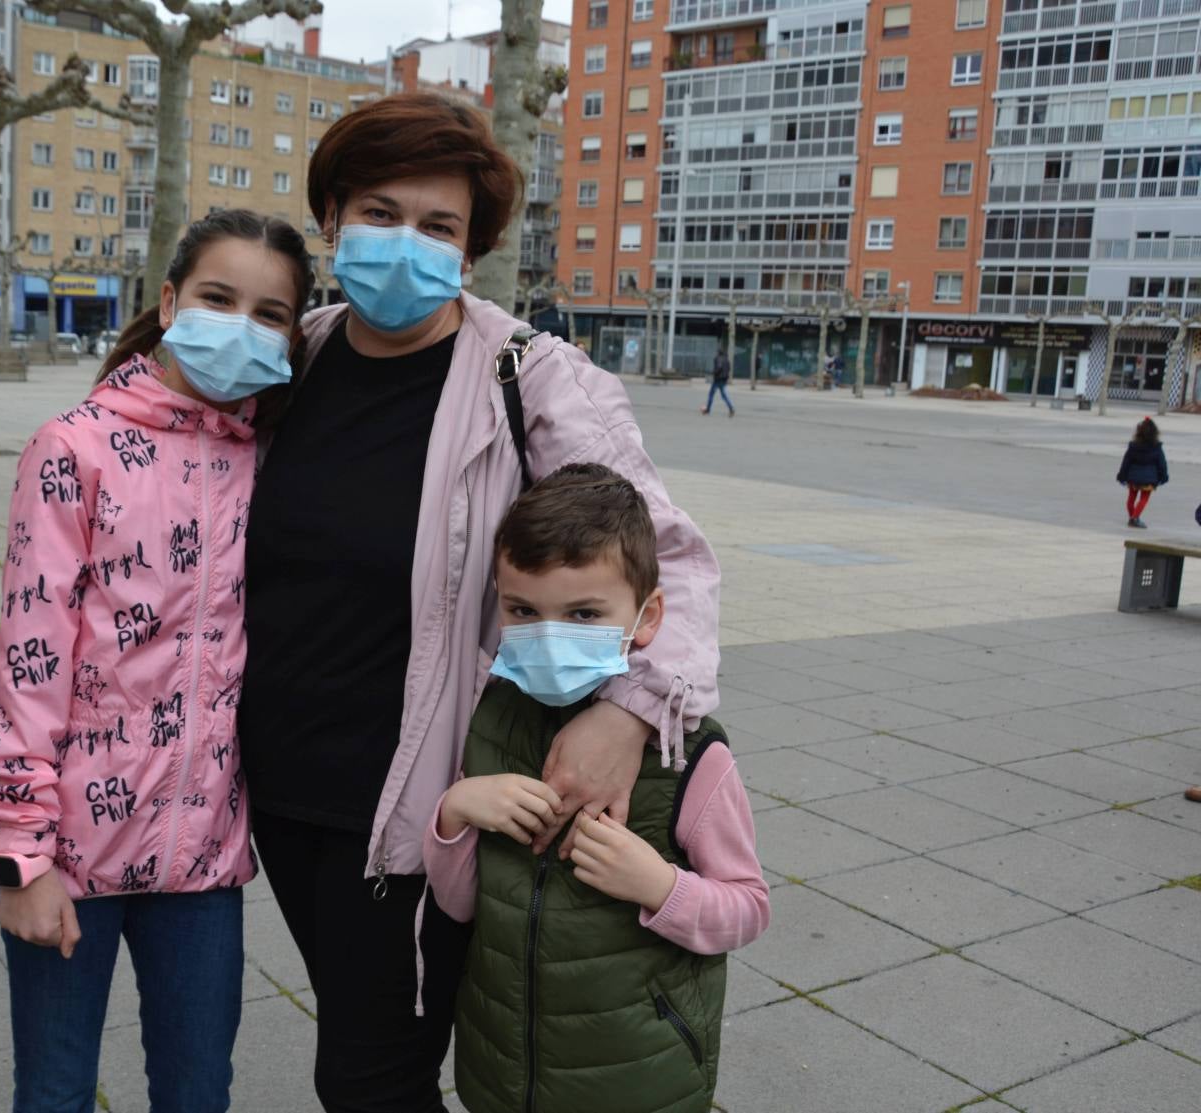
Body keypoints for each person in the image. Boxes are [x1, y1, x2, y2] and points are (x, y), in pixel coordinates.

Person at [238, 92, 723, 1113]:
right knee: (373, 1043)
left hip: (426, 801)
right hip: (282, 791)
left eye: (438, 226)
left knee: (369, 1080)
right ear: (330, 218)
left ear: (470, 251)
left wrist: (629, 712)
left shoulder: (530, 377)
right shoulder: (295, 357)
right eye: (377, 212)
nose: (402, 243)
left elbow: (667, 556)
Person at [0, 210, 314, 1113]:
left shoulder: (271, 460)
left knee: (199, 1092)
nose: (240, 325)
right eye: (217, 297)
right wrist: (21, 854)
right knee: (53, 1091)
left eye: (269, 312)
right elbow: (27, 657)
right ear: (168, 302)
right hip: (67, 851)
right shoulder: (72, 448)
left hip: (201, 859)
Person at [425, 463, 769, 1112]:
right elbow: (463, 901)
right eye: (523, 610)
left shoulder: (689, 755)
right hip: (505, 1071)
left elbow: (747, 906)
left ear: (648, 616)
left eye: (583, 613)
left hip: (639, 1082)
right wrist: (455, 812)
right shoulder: (491, 721)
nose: (550, 635)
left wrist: (661, 886)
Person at [1116, 417, 1169, 528]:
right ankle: (1135, 518)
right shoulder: (1157, 448)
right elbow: (1162, 464)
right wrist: (1163, 477)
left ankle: (1132, 517)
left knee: (1131, 498)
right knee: (1143, 499)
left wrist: (1122, 475)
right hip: (1149, 478)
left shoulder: (1133, 446)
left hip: (1133, 477)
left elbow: (1126, 462)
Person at [702, 348, 734, 417]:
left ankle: (708, 409)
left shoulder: (717, 358)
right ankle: (731, 408)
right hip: (724, 379)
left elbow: (719, 367)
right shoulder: (727, 360)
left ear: (718, 353)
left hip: (717, 379)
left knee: (711, 395)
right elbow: (729, 369)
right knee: (724, 395)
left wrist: (714, 373)